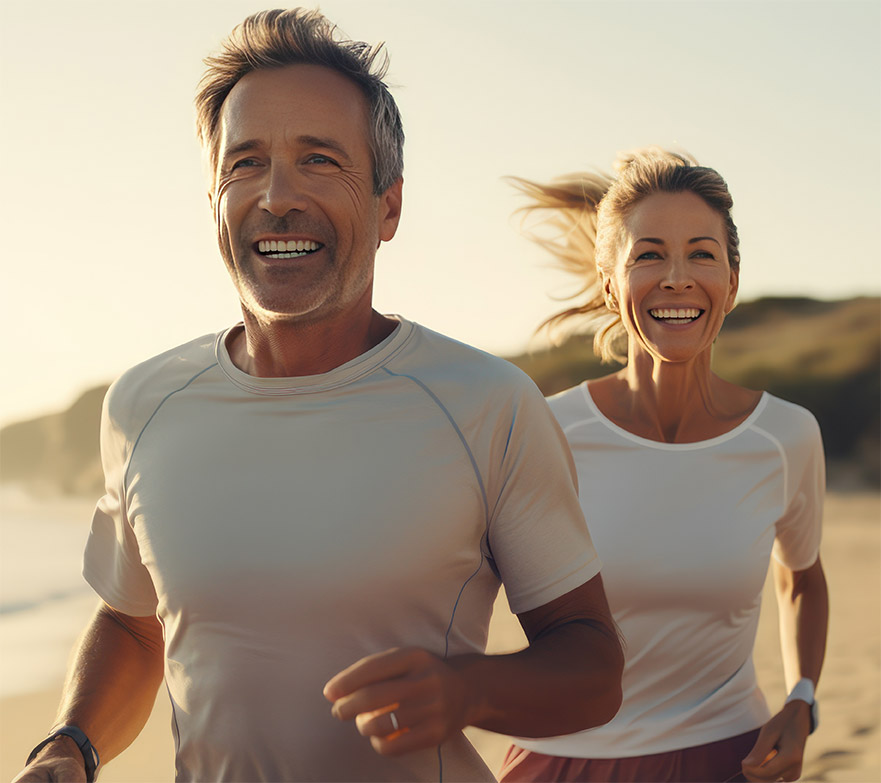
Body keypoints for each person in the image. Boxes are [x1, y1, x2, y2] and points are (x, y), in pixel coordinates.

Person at [14, 9, 624, 783]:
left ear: (387, 206)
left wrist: (470, 688)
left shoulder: (486, 404)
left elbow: (593, 663)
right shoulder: (142, 405)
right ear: (212, 203)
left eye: (318, 160)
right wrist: (71, 743)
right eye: (244, 163)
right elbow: (136, 629)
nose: (275, 197)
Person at [499, 149, 828, 783]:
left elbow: (803, 580)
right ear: (610, 285)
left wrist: (802, 698)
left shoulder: (786, 437)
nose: (676, 277)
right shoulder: (546, 431)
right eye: (648, 254)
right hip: (563, 761)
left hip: (728, 756)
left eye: (701, 253)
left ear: (731, 281)